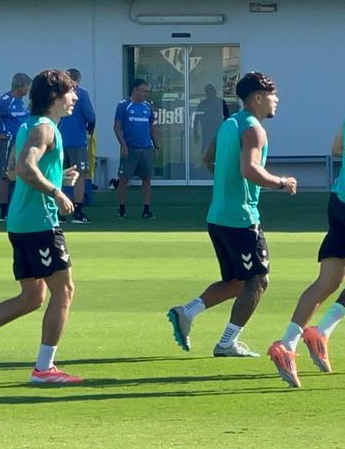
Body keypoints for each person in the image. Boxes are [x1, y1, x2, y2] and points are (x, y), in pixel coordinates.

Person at [0, 69, 82, 385]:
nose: (75, 98)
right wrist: (57, 191)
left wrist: (57, 177)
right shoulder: (45, 129)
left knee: (32, 297)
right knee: (64, 290)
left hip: (21, 222)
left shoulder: (28, 126)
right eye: (70, 92)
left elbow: (11, 171)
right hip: (39, 223)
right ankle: (44, 369)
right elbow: (23, 168)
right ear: (54, 97)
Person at [166, 72, 295, 359]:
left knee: (237, 281)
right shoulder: (254, 129)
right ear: (258, 97)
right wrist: (281, 182)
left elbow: (206, 158)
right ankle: (227, 343)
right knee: (258, 281)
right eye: (273, 95)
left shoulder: (229, 124)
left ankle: (185, 313)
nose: (277, 100)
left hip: (218, 215)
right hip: (241, 218)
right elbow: (250, 169)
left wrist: (226, 179)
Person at [265, 121, 345, 387]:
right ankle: (319, 332)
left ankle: (289, 343)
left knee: (328, 282)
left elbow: (336, 149)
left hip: (339, 201)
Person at [0, 73, 31, 222]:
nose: (28, 89)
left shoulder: (20, 101)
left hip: (21, 141)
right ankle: (4, 211)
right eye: (27, 86)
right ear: (20, 86)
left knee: (20, 173)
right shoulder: (6, 101)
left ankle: (17, 208)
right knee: (6, 175)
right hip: (9, 142)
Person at [114, 79, 161, 219]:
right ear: (134, 90)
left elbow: (151, 127)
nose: (145, 94)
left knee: (146, 179)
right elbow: (117, 127)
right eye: (143, 90)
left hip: (146, 148)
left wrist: (156, 144)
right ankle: (122, 209)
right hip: (130, 149)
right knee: (124, 179)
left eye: (146, 91)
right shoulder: (124, 106)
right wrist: (123, 145)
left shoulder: (147, 107)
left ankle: (146, 209)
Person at [57, 68, 96, 223]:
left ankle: (58, 210)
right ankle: (77, 211)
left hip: (58, 140)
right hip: (77, 141)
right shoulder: (81, 93)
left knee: (58, 175)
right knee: (79, 175)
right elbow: (91, 116)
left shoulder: (58, 93)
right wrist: (89, 131)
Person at [194, 83, 231, 158]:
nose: (209, 93)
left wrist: (227, 130)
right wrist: (195, 132)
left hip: (218, 129)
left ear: (214, 92)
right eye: (208, 92)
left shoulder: (221, 102)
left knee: (218, 149)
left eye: (211, 91)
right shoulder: (203, 104)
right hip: (207, 131)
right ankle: (204, 167)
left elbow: (227, 117)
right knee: (206, 149)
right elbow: (196, 118)